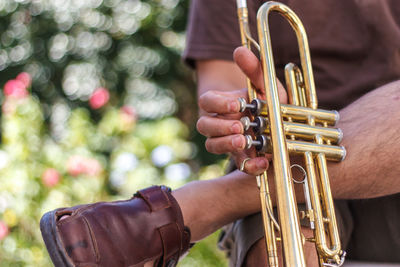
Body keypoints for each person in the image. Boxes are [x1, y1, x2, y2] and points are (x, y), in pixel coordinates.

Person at [40, 0, 400, 266]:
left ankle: (204, 204)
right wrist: (242, 115)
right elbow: (223, 88)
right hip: (279, 157)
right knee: (285, 249)